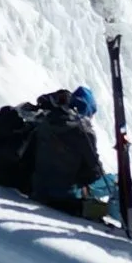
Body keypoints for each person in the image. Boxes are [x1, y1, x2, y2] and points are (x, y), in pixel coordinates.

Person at [27, 85, 116, 221]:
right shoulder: (84, 132)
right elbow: (95, 172)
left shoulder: (47, 120)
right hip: (67, 201)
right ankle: (124, 225)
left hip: (38, 191)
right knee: (116, 182)